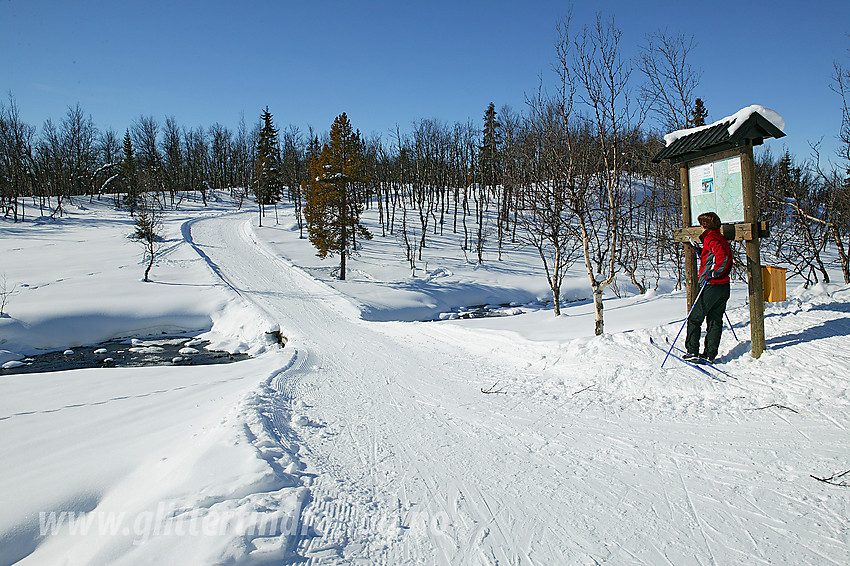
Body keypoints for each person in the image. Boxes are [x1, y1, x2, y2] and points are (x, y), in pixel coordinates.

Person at [684, 211, 733, 362]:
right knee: (714, 319)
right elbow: (714, 255)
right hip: (723, 286)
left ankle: (692, 351)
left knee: (694, 318)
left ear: (705, 225)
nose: (701, 227)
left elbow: (722, 256)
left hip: (710, 285)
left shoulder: (711, 238)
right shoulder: (719, 237)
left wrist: (715, 273)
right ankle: (710, 354)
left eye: (701, 224)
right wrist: (700, 251)